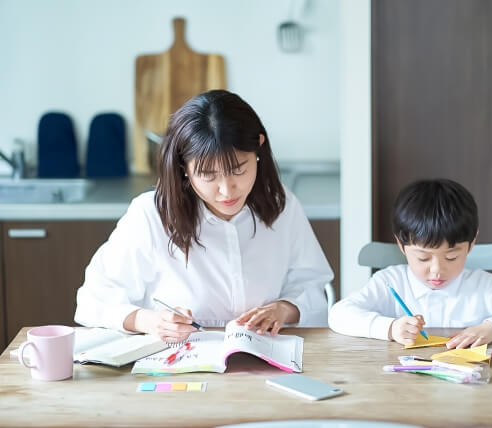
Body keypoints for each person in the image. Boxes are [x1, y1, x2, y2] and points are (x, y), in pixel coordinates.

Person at [75, 89, 333, 343]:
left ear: (258, 149)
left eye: (238, 170)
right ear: (183, 167)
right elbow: (92, 301)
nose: (226, 189)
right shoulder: (151, 215)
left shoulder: (282, 205)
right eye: (208, 175)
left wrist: (283, 310)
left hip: (265, 359)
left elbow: (312, 286)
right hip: (179, 366)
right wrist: (150, 321)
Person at [328, 178, 492, 348]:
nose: (437, 270)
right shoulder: (391, 282)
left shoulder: (483, 285)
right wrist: (389, 328)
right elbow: (338, 315)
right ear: (401, 245)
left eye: (452, 257)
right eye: (423, 258)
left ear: (472, 243)